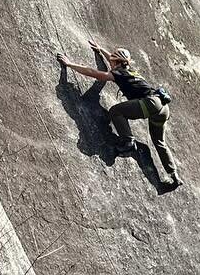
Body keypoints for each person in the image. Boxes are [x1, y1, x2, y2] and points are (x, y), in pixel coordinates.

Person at [56, 39, 181, 189]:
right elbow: (113, 59)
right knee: (160, 142)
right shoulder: (129, 70)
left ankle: (128, 142)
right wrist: (100, 49)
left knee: (116, 111)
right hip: (162, 108)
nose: (111, 64)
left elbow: (95, 74)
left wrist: (70, 64)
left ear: (117, 63)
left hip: (150, 103)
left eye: (113, 62)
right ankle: (174, 176)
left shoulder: (118, 73)